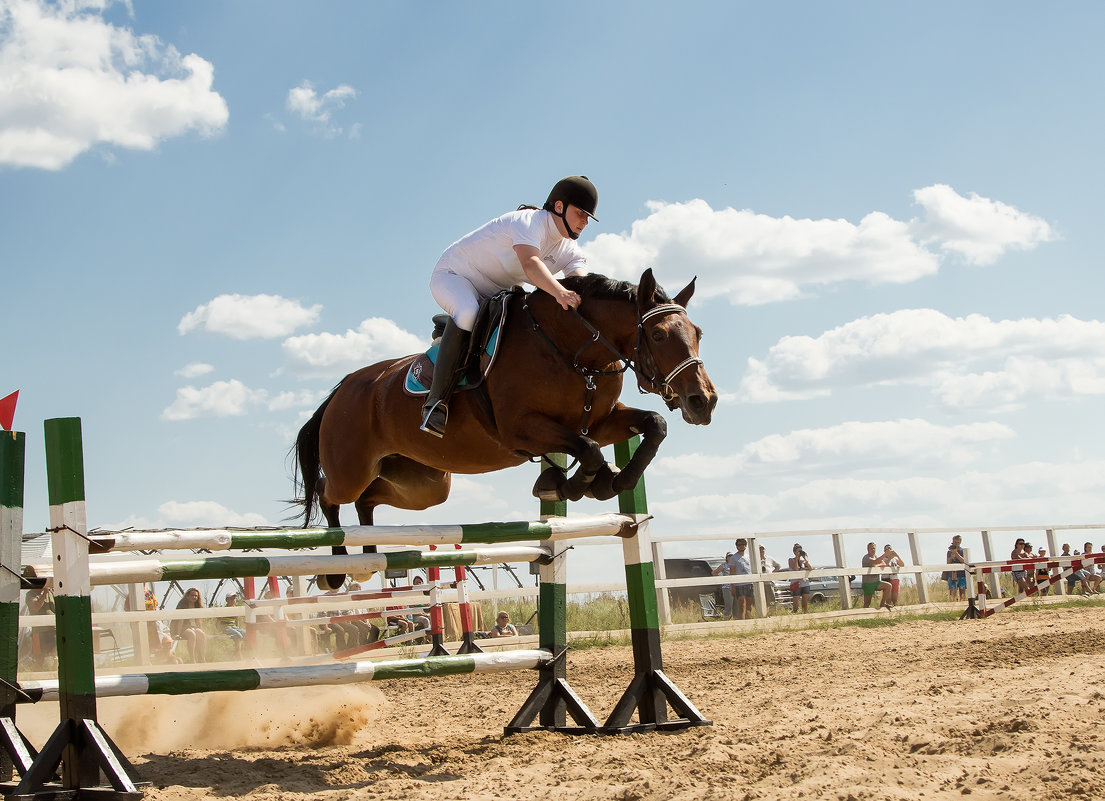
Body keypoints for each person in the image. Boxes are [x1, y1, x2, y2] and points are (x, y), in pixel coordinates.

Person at [421, 176, 599, 437]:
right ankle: (435, 404)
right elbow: (531, 265)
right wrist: (560, 291)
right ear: (559, 207)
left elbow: (581, 284)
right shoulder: (528, 222)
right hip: (455, 275)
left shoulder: (570, 249)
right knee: (468, 313)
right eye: (580, 213)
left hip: (494, 292)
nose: (584, 221)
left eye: (587, 217)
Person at [171, 587, 208, 663]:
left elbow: (198, 620)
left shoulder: (197, 605)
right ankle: (192, 659)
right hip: (180, 627)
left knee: (202, 634)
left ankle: (202, 658)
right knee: (192, 634)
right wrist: (177, 633)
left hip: (191, 626)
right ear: (187, 596)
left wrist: (200, 629)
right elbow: (180, 620)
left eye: (196, 596)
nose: (194, 597)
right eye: (192, 595)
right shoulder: (182, 604)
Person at [860, 542, 899, 610]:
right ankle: (863, 616)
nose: (873, 550)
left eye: (874, 548)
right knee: (867, 603)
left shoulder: (876, 556)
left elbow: (883, 564)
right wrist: (885, 555)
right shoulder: (866, 558)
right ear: (868, 549)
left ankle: (882, 604)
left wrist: (876, 565)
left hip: (876, 582)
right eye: (871, 548)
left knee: (888, 586)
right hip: (868, 583)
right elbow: (876, 561)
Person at [728, 539, 753, 620]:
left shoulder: (749, 556)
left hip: (749, 582)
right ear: (736, 546)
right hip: (739, 584)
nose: (741, 546)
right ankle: (741, 621)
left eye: (743, 544)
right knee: (742, 605)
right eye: (739, 544)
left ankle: (749, 620)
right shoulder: (734, 558)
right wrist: (732, 586)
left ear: (746, 545)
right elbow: (732, 571)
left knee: (749, 605)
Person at [218, 592, 247, 659]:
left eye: (234, 599)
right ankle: (238, 654)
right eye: (231, 599)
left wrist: (237, 627)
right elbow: (218, 622)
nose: (233, 600)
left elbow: (237, 620)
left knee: (246, 633)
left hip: (233, 627)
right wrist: (220, 631)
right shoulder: (223, 610)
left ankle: (244, 652)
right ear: (227, 600)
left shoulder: (235, 609)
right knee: (238, 635)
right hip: (226, 627)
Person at [788, 543, 812, 614]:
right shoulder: (791, 560)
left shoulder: (803, 561)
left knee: (805, 605)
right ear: (794, 552)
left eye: (800, 551)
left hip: (805, 583)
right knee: (795, 606)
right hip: (796, 583)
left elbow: (811, 569)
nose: (799, 553)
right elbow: (795, 569)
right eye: (798, 551)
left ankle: (805, 615)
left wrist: (804, 558)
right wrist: (796, 559)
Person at [711, 552, 735, 619]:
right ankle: (726, 618)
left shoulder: (735, 565)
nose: (730, 557)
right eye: (729, 556)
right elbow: (714, 572)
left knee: (736, 605)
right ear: (726, 558)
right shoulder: (724, 565)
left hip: (736, 587)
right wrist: (721, 579)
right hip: (727, 587)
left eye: (732, 556)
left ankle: (736, 619)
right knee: (728, 605)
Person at [944, 535, 968, 602]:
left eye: (958, 542)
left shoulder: (962, 551)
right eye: (955, 542)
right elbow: (948, 563)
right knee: (952, 591)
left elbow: (964, 561)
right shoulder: (949, 552)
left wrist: (956, 553)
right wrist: (952, 556)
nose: (956, 543)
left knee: (962, 590)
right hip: (952, 574)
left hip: (962, 574)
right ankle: (952, 604)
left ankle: (962, 603)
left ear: (960, 542)